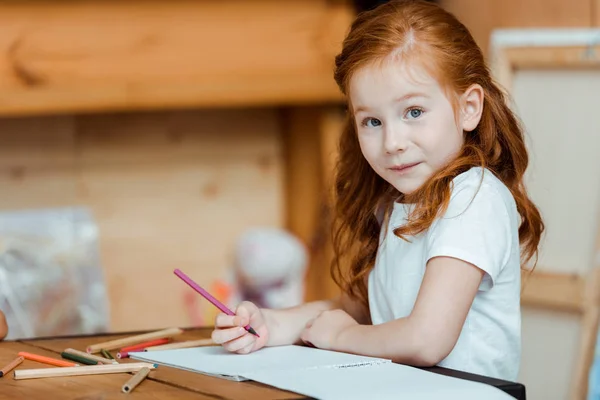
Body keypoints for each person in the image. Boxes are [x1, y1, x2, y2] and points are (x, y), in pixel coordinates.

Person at [211, 0, 543, 381]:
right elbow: (358, 311)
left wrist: (342, 336)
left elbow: (426, 339)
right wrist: (269, 323)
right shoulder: (394, 203)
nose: (392, 142)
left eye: (413, 112)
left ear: (469, 108)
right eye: (371, 120)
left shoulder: (473, 197)